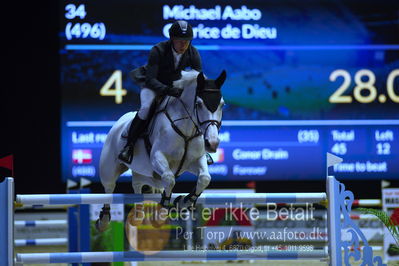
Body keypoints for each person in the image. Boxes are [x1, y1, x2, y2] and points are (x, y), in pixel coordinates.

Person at [119, 20, 213, 165]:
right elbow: (151, 79)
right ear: (172, 39)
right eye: (179, 41)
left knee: (196, 109)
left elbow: (198, 78)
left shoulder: (192, 52)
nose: (183, 45)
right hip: (153, 85)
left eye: (186, 41)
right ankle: (129, 146)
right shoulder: (158, 50)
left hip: (175, 88)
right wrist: (168, 90)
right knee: (145, 108)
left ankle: (202, 150)